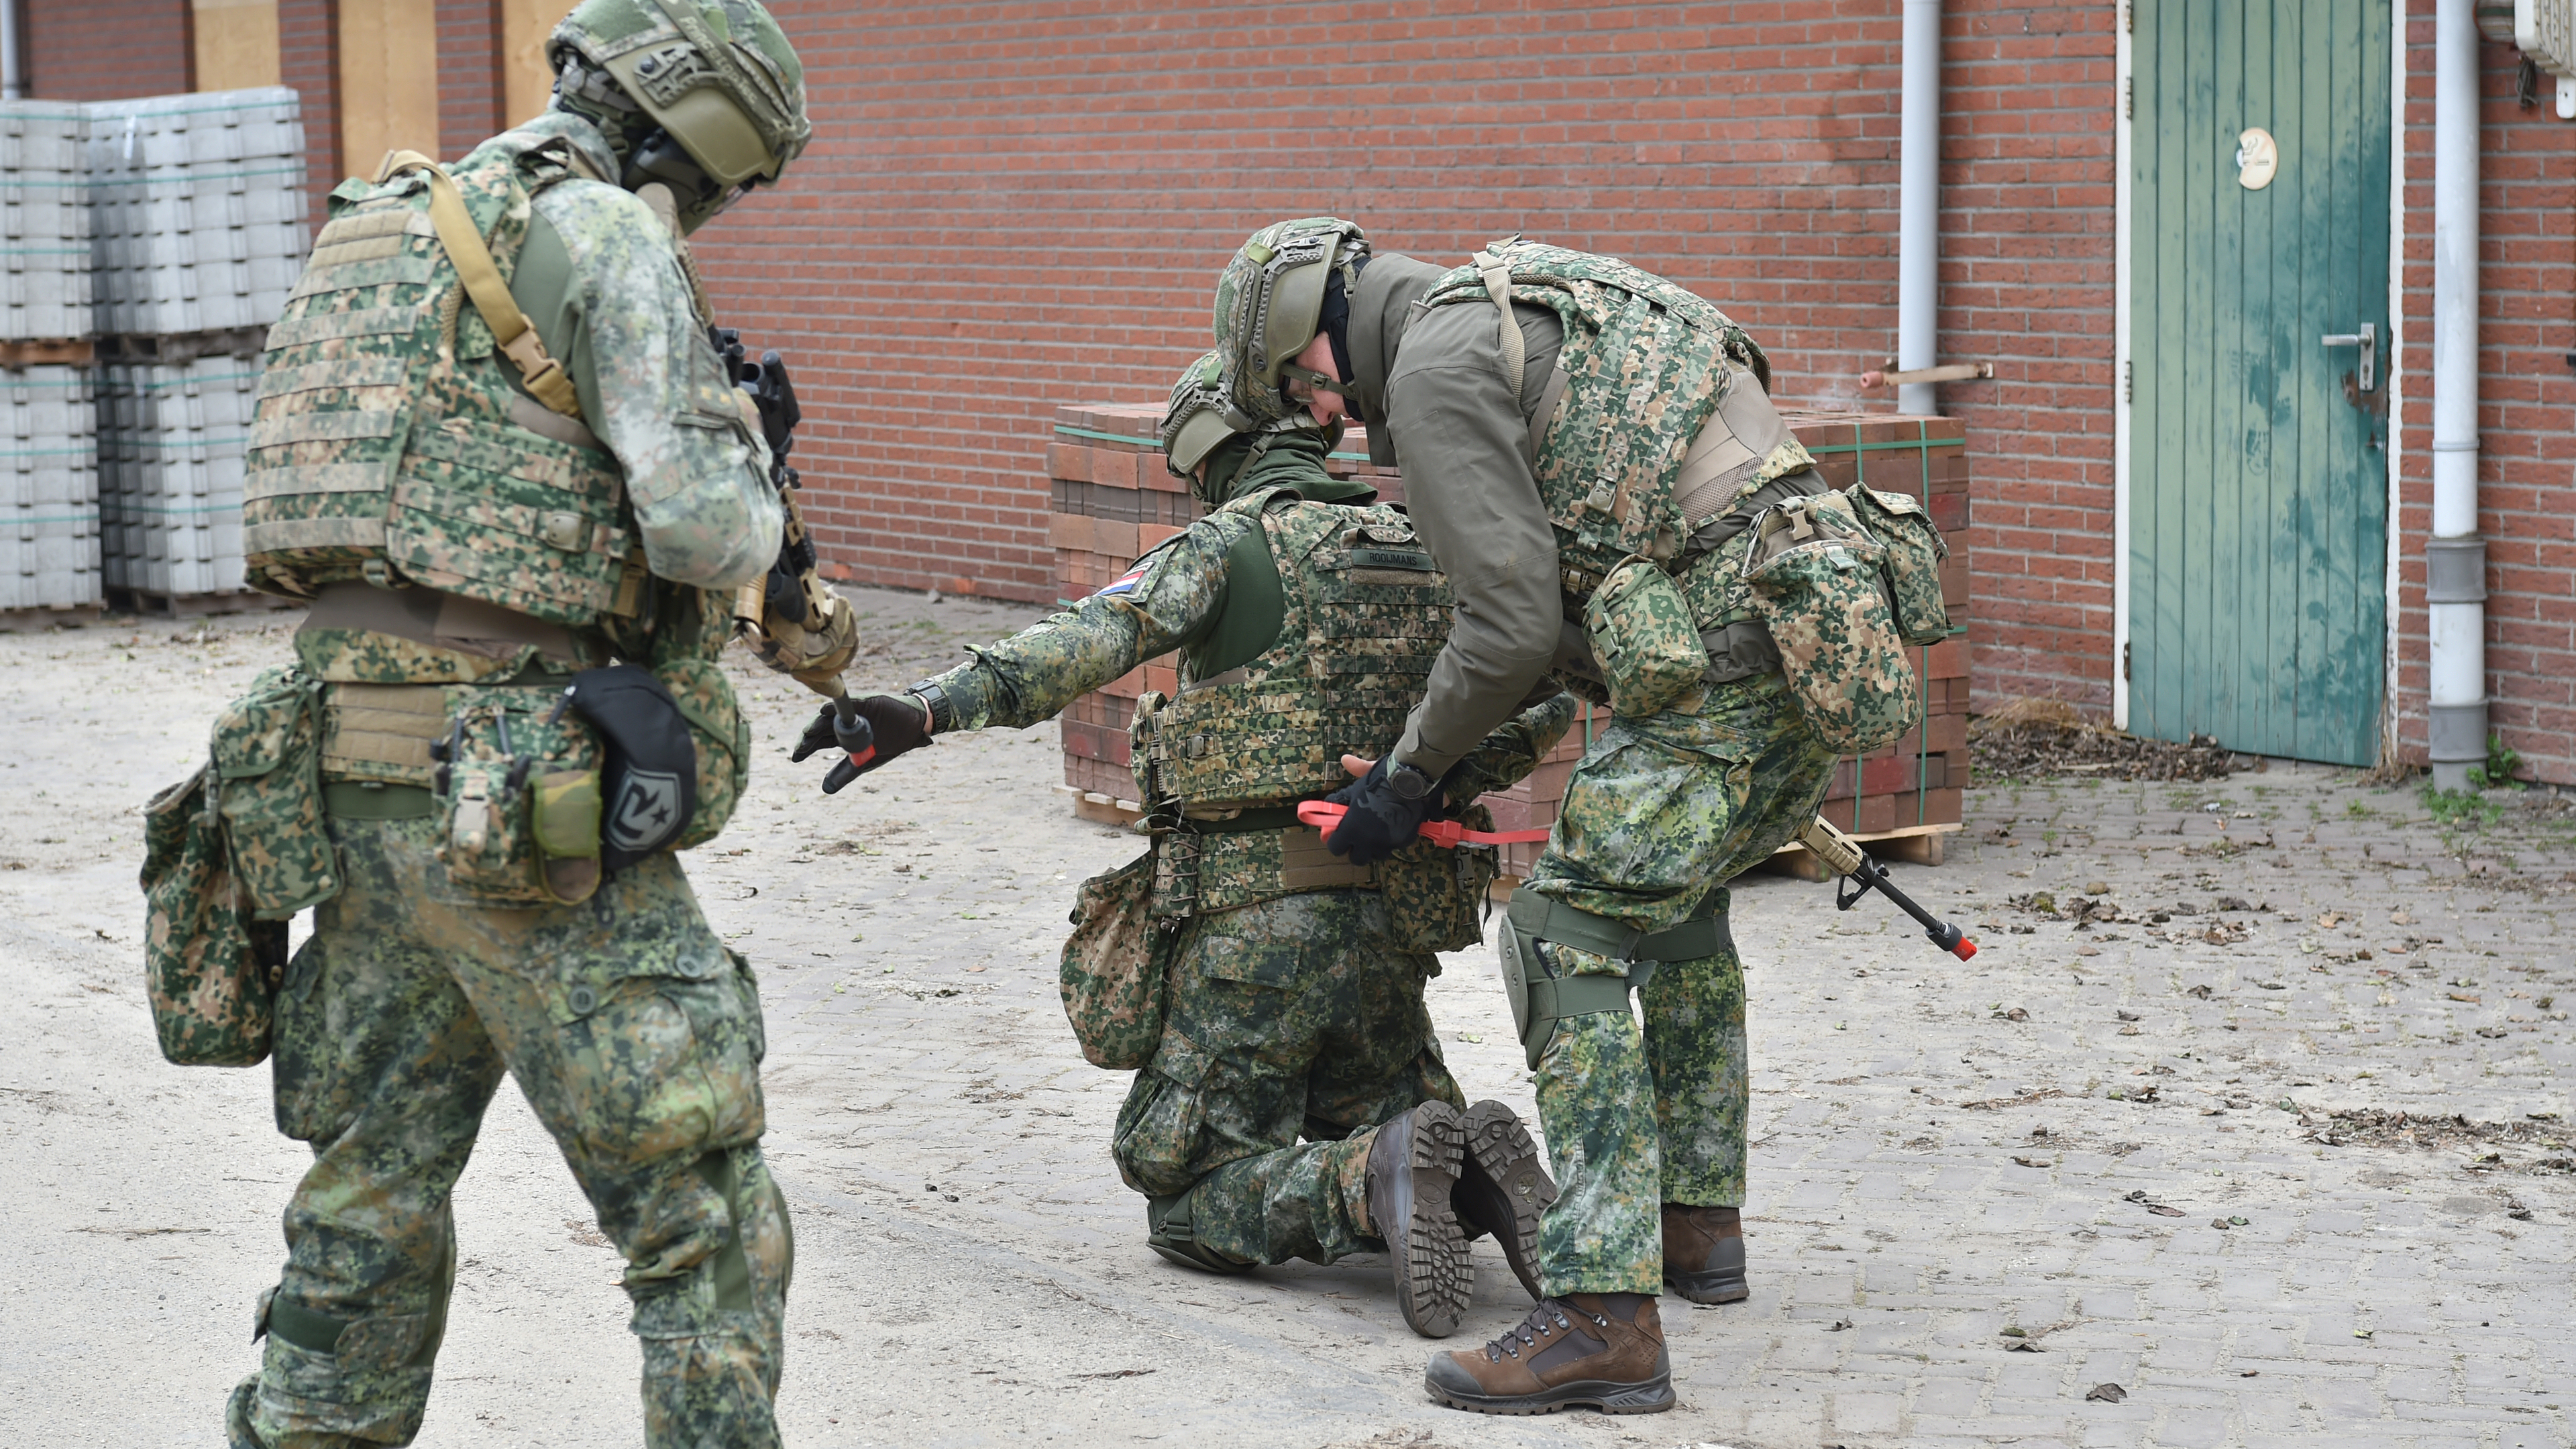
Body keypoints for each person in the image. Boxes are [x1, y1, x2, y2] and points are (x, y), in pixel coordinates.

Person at [217, 1, 813, 1442]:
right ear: (705, 135)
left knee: (367, 1197)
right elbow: (700, 528)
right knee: (702, 1213)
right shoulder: (604, 231)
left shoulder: (377, 229)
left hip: (341, 779)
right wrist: (753, 454)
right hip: (519, 808)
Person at [795, 354, 1575, 1338]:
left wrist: (926, 707)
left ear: (1211, 447)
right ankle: (1464, 1171)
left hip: (1254, 935)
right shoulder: (1426, 548)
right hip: (1391, 929)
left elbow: (1085, 640)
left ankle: (1360, 1179)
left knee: (1187, 1188)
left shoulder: (1230, 545)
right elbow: (1542, 682)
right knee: (1402, 1127)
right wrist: (1424, 782)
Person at [1209, 219, 1849, 1415]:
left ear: (1316, 337)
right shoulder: (1539, 294)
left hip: (1724, 662)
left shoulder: (1438, 365)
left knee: (1562, 931)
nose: (1323, 413)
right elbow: (1575, 589)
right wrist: (1436, 767)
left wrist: (1400, 785)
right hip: (1813, 628)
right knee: (1677, 907)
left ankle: (1606, 1315)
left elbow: (1502, 624)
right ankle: (1697, 1228)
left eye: (1304, 389)